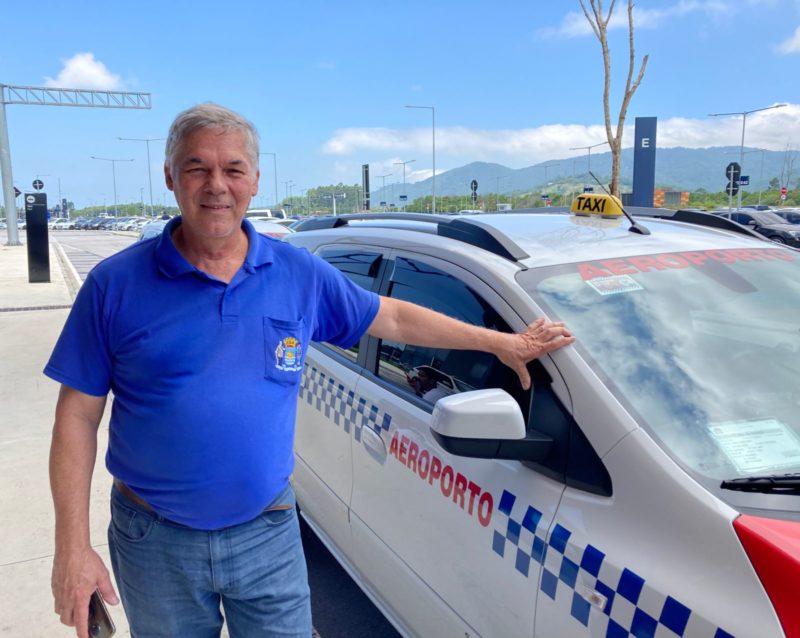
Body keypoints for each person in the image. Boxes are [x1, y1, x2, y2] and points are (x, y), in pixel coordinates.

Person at [46, 102, 575, 638]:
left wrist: (502, 342)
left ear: (254, 181)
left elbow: (389, 315)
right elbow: (77, 417)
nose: (216, 185)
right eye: (197, 167)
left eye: (232, 169)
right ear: (169, 177)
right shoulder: (115, 286)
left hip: (266, 531)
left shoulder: (296, 273)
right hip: (154, 541)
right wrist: (72, 546)